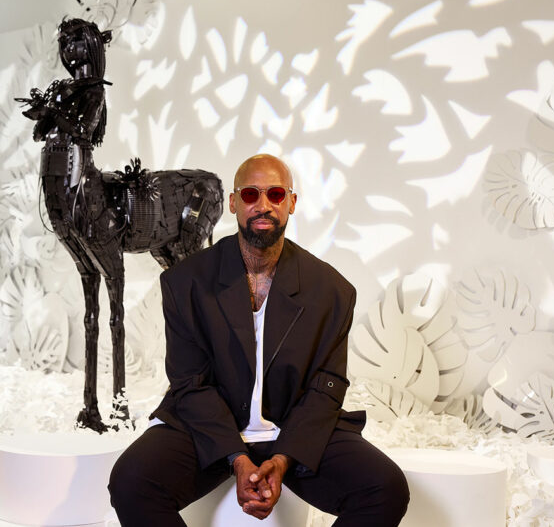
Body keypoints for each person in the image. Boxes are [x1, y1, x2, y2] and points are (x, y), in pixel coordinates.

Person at [109, 154, 409, 526]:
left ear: (292, 203)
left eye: (276, 194)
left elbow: (326, 389)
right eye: (250, 194)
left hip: (293, 430)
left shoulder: (332, 291)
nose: (263, 205)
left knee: (386, 488)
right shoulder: (186, 283)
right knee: (131, 482)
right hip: (210, 431)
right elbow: (190, 383)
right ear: (233, 203)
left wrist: (283, 460)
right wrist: (237, 458)